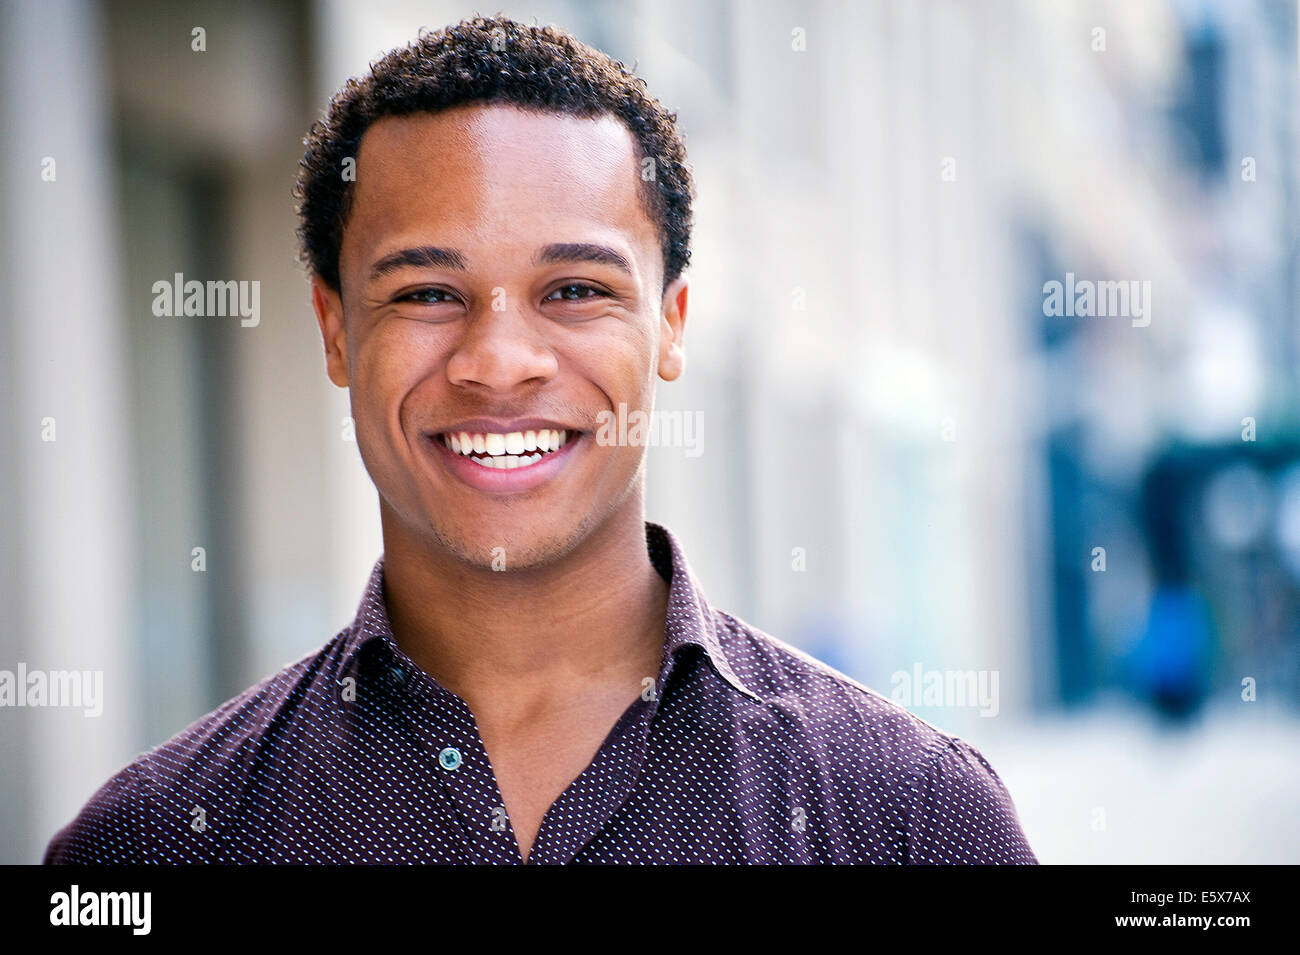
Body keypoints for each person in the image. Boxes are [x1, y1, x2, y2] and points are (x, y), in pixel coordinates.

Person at [45, 14, 1036, 864]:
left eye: (575, 290)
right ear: (337, 329)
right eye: (429, 293)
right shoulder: (151, 843)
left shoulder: (909, 822)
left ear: (673, 324)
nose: (500, 360)